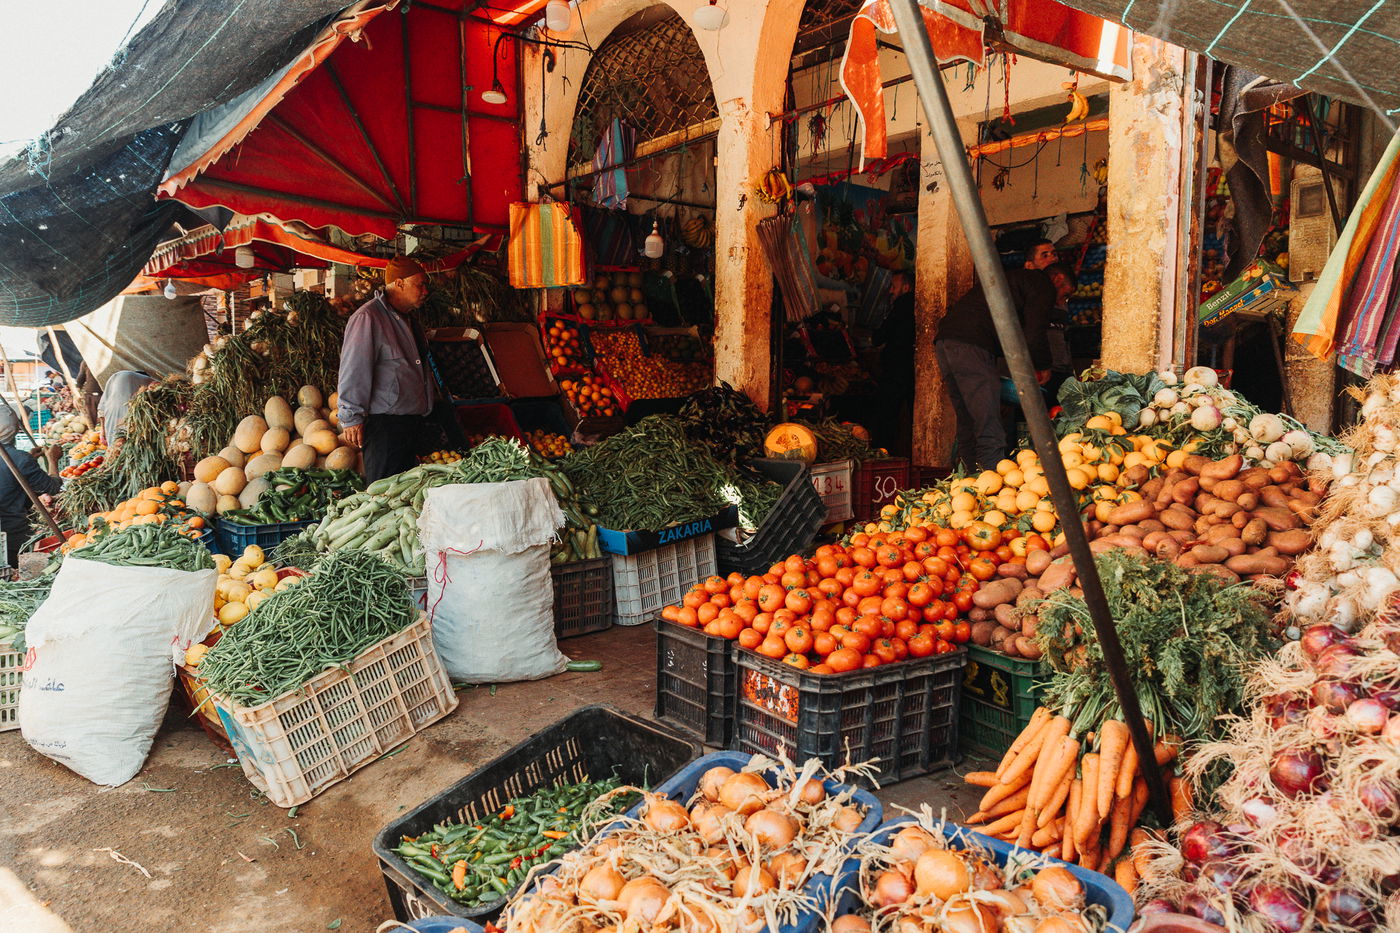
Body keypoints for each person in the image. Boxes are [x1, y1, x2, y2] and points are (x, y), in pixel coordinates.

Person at [933, 253, 1057, 470]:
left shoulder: (1012, 280)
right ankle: (990, 482)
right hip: (972, 345)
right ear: (1058, 280)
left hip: (946, 341)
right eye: (1065, 294)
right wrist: (1043, 365)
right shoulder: (1043, 284)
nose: (1060, 301)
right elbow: (1034, 332)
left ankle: (969, 479)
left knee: (968, 419)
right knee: (987, 420)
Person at [337, 257, 437, 482]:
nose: (425, 290)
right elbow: (354, 369)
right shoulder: (368, 318)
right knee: (385, 491)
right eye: (419, 284)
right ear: (399, 284)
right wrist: (351, 416)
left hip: (410, 421)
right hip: (385, 425)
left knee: (407, 493)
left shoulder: (408, 318)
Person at [0, 405, 60, 568]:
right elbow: (52, 487)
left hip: (6, 529)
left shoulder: (19, 460)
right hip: (13, 534)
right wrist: (53, 460)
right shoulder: (19, 459)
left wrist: (28, 460)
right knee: (19, 569)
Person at [873, 270, 915, 454]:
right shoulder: (913, 304)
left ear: (906, 287)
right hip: (909, 370)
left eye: (893, 286)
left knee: (887, 417)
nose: (890, 290)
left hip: (897, 371)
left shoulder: (902, 305)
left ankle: (884, 454)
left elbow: (880, 337)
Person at [97, 370, 156, 451]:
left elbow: (101, 410)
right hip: (126, 423)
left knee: (115, 450)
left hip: (110, 418)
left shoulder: (114, 383)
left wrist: (103, 431)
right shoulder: (144, 381)